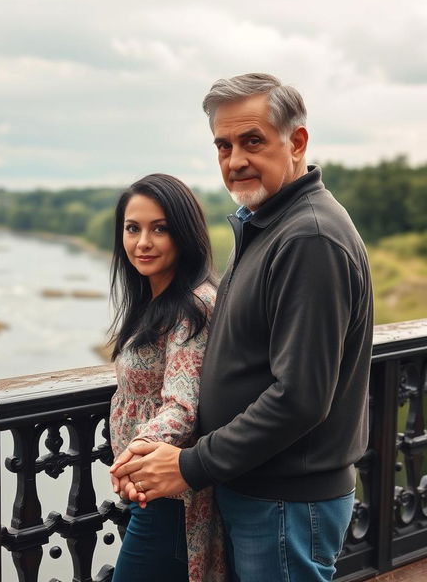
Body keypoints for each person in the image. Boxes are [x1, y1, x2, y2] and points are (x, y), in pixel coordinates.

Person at [111, 73, 374, 582]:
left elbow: (300, 397)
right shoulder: (270, 225)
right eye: (223, 145)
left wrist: (189, 466)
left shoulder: (308, 238)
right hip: (261, 490)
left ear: (296, 142)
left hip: (286, 497)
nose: (235, 160)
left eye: (252, 141)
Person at [108, 173, 227, 582]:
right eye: (132, 228)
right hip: (149, 494)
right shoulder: (156, 300)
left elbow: (181, 404)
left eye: (160, 229)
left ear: (185, 234)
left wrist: (137, 450)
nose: (143, 242)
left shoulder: (192, 307)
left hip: (171, 499)